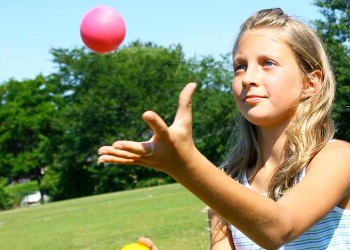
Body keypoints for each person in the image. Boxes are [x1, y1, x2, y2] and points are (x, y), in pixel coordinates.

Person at [98, 8, 350, 249]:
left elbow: (279, 229)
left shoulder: (336, 157)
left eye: (268, 63)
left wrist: (185, 166)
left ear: (310, 83)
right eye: (240, 66)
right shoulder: (228, 180)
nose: (248, 78)